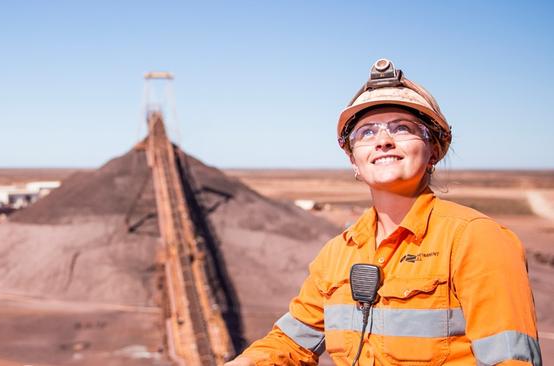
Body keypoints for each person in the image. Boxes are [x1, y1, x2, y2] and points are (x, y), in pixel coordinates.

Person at [225, 59, 542, 366]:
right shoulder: (337, 255)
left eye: (402, 128)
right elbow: (291, 343)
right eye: (366, 132)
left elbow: (511, 360)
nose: (383, 141)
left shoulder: (475, 239)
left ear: (433, 151)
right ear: (354, 161)